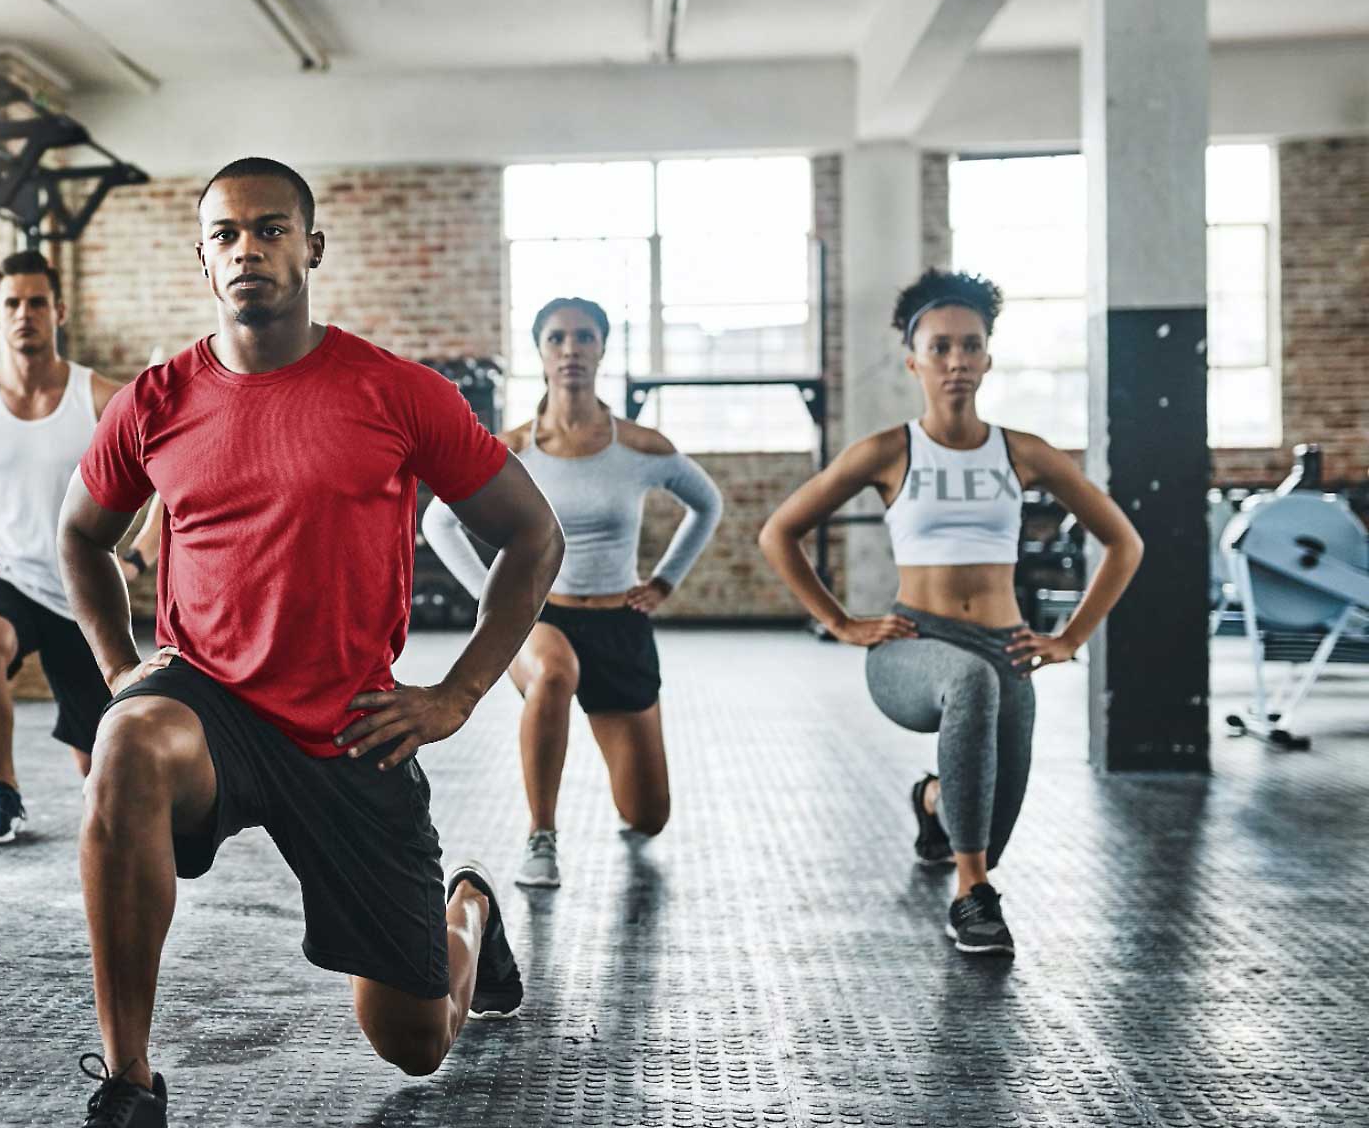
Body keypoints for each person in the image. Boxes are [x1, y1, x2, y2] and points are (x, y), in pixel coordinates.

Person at [58, 158, 566, 1126]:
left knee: (413, 1043)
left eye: (270, 228)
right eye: (224, 234)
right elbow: (79, 534)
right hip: (206, 707)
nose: (246, 248)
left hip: (350, 728)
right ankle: (128, 1080)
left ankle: (469, 912)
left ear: (311, 245)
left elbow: (532, 536)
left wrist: (455, 693)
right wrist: (122, 669)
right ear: (203, 261)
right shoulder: (157, 401)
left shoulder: (394, 391)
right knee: (124, 742)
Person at [757, 268, 1143, 956]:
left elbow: (1123, 542)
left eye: (970, 346)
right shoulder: (886, 451)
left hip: (1007, 645)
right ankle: (971, 894)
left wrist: (1070, 637)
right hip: (913, 643)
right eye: (940, 348)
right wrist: (843, 622)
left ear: (988, 357)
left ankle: (937, 804)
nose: (956, 361)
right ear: (914, 360)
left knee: (988, 822)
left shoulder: (1024, 452)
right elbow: (777, 532)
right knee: (970, 684)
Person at [421, 297, 722, 889]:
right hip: (542, 617)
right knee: (554, 671)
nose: (571, 350)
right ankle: (542, 836)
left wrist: (665, 580)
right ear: (541, 351)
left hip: (620, 625)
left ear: (602, 348)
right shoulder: (510, 448)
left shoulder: (639, 446)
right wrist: (496, 600)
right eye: (557, 339)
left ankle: (625, 804)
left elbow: (706, 504)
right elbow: (438, 522)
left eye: (584, 338)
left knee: (648, 815)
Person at [0, 249, 161, 845]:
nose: (24, 314)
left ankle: (103, 806)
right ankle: (2, 789)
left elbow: (171, 471)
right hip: (4, 576)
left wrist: (141, 551)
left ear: (58, 311)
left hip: (83, 587)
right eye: (11, 304)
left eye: (36, 302)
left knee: (102, 773)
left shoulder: (97, 397)